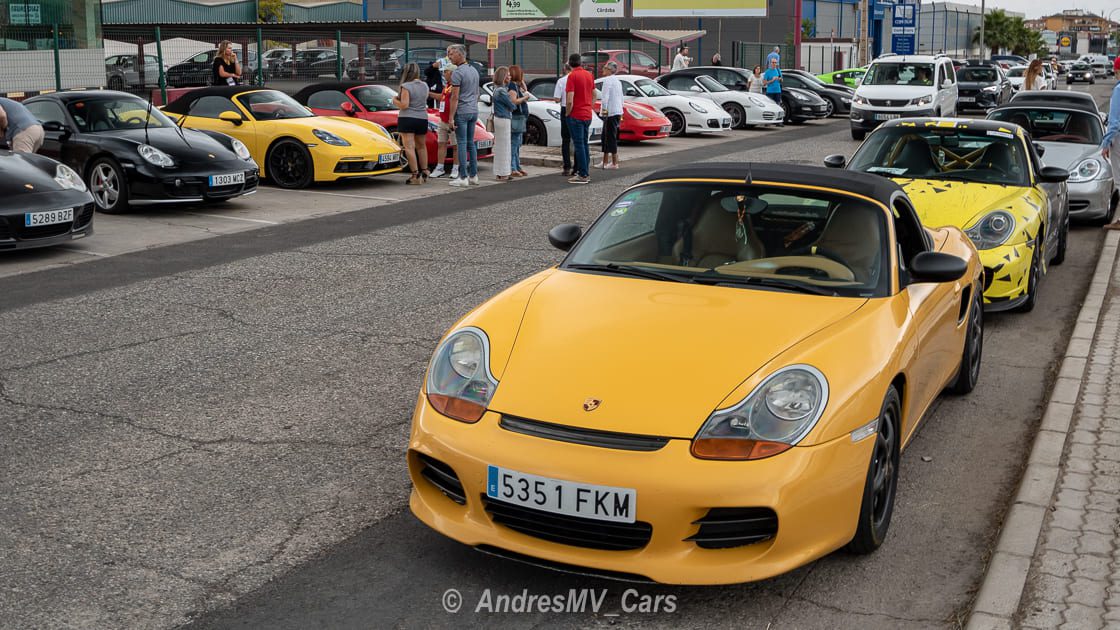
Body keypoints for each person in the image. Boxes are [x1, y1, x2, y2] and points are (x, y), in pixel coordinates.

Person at [445, 44, 480, 187]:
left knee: (461, 144)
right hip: (473, 110)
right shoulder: (474, 71)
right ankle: (474, 175)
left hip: (462, 111)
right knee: (471, 143)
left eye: (452, 54)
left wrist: (451, 117)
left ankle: (463, 176)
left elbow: (454, 97)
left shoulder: (458, 73)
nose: (450, 57)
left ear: (460, 54)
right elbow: (477, 92)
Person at [392, 62, 431, 185]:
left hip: (408, 118)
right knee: (421, 146)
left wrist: (394, 100)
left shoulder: (406, 86)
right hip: (422, 118)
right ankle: (425, 170)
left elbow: (404, 105)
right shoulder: (425, 85)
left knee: (409, 147)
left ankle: (415, 175)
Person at [565, 53, 594, 184]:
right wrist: (589, 106)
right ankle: (585, 171)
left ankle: (583, 174)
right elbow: (594, 94)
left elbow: (570, 99)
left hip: (576, 114)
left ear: (569, 63)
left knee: (579, 145)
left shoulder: (572, 77)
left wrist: (567, 112)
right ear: (580, 62)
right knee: (584, 144)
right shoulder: (589, 75)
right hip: (587, 114)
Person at [429, 62, 458, 179]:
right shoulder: (447, 85)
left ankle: (456, 168)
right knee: (441, 144)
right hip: (443, 119)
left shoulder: (456, 85)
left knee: (456, 146)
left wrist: (452, 118)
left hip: (452, 120)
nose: (443, 74)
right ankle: (440, 167)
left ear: (451, 73)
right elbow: (442, 97)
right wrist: (429, 93)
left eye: (445, 72)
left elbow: (455, 100)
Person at [1101, 63, 1120, 230]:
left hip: (1119, 139)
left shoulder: (1119, 90)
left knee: (1119, 179)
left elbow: (1114, 122)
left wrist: (1106, 143)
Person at [598, 61, 623, 170]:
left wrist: (604, 111)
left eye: (604, 67)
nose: (603, 69)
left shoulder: (607, 81)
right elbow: (621, 97)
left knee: (608, 137)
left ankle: (613, 162)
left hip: (610, 112)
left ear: (609, 70)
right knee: (609, 136)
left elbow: (605, 98)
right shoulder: (617, 81)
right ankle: (606, 161)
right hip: (617, 111)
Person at [507, 64, 531, 178]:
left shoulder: (516, 85)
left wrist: (522, 82)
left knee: (517, 143)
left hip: (520, 117)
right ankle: (513, 167)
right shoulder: (512, 86)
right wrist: (524, 98)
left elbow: (525, 89)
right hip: (517, 117)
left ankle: (517, 166)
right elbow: (513, 101)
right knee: (514, 143)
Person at [491, 66, 514, 181]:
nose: (510, 77)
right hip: (504, 119)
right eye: (508, 75)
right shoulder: (502, 91)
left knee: (499, 146)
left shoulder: (496, 89)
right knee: (505, 146)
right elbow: (512, 106)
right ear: (503, 77)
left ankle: (499, 172)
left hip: (498, 118)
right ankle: (504, 172)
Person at [554, 64, 573, 176]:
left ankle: (567, 166)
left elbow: (557, 99)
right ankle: (578, 167)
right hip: (578, 108)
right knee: (577, 139)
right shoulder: (580, 78)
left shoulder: (561, 81)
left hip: (566, 108)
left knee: (566, 139)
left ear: (565, 69)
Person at [764, 58, 784, 126]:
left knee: (778, 105)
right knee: (769, 106)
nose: (774, 64)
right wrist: (772, 80)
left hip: (777, 90)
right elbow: (764, 83)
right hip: (770, 91)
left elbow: (782, 80)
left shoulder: (778, 70)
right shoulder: (767, 72)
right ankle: (768, 122)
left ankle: (778, 121)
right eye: (773, 62)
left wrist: (780, 79)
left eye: (775, 62)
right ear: (770, 63)